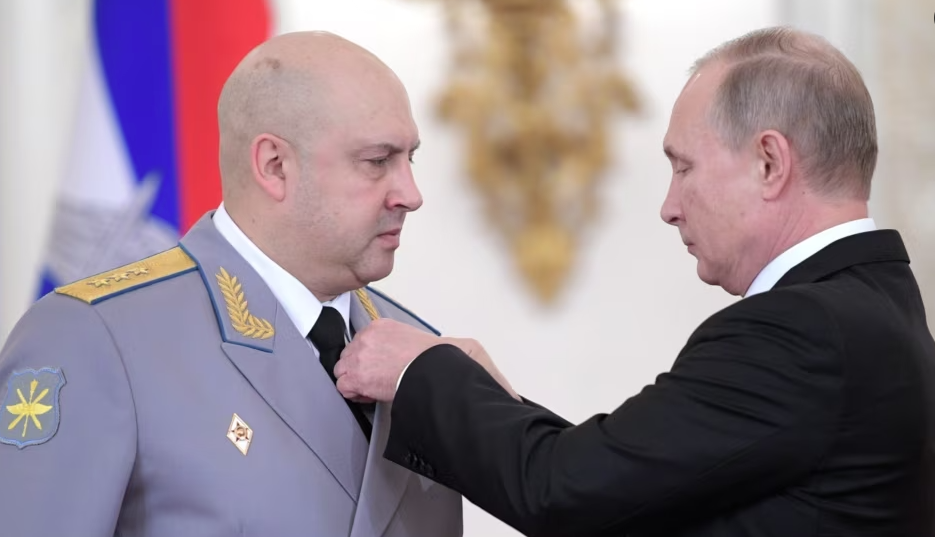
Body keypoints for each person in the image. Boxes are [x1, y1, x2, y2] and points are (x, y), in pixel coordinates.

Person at [334, 26, 935, 536]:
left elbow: (567, 494)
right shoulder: (877, 307)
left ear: (769, 163)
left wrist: (419, 373)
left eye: (684, 167)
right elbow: (633, 489)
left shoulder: (801, 330)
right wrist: (490, 399)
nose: (669, 207)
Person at [0, 31, 462, 537]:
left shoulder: (422, 352)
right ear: (274, 166)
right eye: (377, 161)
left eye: (410, 159)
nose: (411, 194)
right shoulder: (96, 338)